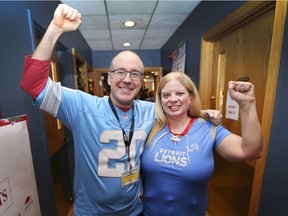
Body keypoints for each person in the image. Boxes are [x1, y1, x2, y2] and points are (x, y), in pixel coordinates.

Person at [20, 4, 222, 216]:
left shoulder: (152, 110)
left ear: (141, 81)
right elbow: (32, 84)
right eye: (121, 72)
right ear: (109, 77)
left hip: (136, 210)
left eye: (135, 74)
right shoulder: (82, 107)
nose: (127, 79)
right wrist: (54, 28)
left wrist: (201, 113)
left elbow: (178, 110)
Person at [141, 72, 263, 216]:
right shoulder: (149, 126)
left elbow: (251, 151)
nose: (173, 99)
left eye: (180, 93)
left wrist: (246, 104)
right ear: (160, 100)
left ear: (190, 97)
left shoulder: (208, 128)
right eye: (166, 95)